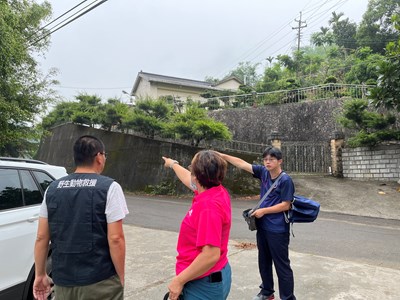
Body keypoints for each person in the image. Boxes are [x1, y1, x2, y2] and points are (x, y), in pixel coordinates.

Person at [33, 135, 129, 300]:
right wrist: (120, 277)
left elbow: (42, 237)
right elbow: (115, 238)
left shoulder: (52, 189)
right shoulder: (110, 188)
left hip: (63, 282)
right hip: (100, 280)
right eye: (105, 155)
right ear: (98, 156)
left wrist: (40, 274)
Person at [217, 147, 296, 300]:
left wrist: (264, 211)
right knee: (264, 261)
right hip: (263, 226)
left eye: (271, 159)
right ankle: (267, 292)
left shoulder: (285, 180)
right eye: (265, 159)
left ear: (280, 161)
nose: (268, 162)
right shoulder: (264, 173)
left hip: (278, 229)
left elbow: (286, 204)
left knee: (282, 265)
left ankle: (288, 297)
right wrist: (222, 155)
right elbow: (242, 164)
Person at [162, 150, 232, 300]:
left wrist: (178, 281)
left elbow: (210, 255)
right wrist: (173, 164)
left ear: (197, 176)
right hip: (215, 274)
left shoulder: (208, 207)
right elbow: (188, 178)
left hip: (202, 282)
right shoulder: (215, 191)